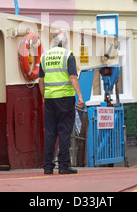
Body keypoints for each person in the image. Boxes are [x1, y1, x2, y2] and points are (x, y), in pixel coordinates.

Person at [38, 29, 85, 174]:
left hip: (50, 99)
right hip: (65, 99)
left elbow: (40, 80)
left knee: (50, 132)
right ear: (64, 41)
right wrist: (80, 97)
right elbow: (72, 77)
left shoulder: (44, 56)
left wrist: (44, 97)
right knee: (64, 131)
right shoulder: (68, 55)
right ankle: (64, 165)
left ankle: (47, 167)